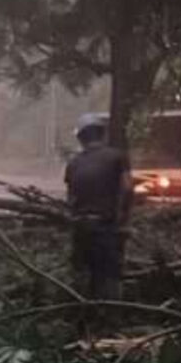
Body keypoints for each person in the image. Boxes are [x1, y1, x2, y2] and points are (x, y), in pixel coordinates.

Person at [64, 114, 132, 302]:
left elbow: (70, 199)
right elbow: (127, 188)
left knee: (81, 273)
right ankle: (111, 318)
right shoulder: (117, 157)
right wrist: (123, 218)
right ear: (102, 134)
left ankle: (81, 314)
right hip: (106, 226)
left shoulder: (73, 163)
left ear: (81, 138)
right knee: (110, 274)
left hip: (80, 226)